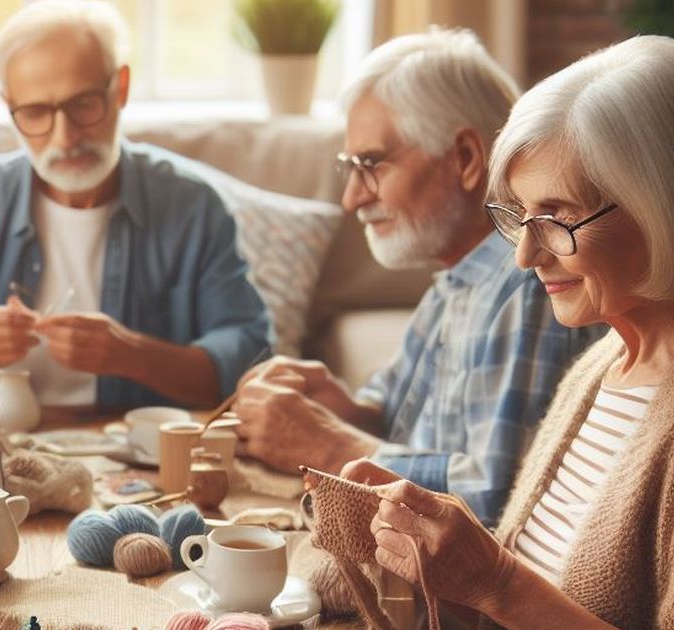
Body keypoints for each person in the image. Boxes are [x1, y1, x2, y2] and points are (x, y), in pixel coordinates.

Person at [331, 35, 674, 628]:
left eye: (560, 216)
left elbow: (506, 588)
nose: (524, 257)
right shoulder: (599, 371)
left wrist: (494, 580)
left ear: (659, 203)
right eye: (518, 215)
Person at [235, 28, 605, 525]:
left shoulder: (526, 283)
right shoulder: (456, 278)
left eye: (371, 164)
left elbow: (500, 498)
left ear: (466, 160)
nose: (352, 198)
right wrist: (341, 409)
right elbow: (395, 417)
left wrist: (329, 446)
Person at [0, 0, 269, 410]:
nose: (65, 138)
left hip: (139, 455)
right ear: (8, 105)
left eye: (82, 104)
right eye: (35, 112)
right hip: (0, 453)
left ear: (122, 88)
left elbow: (250, 362)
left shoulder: (194, 206)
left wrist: (133, 354)